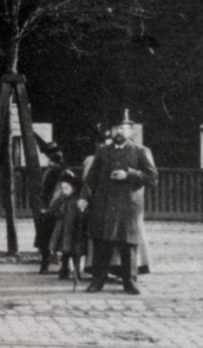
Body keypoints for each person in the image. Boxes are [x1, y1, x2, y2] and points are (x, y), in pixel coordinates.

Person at [79, 112, 158, 295]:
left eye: (123, 128)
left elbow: (153, 178)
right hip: (104, 204)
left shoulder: (140, 151)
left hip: (128, 206)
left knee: (128, 243)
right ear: (111, 131)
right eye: (116, 128)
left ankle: (129, 282)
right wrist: (84, 196)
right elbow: (91, 178)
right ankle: (97, 281)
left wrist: (129, 174)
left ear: (131, 131)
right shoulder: (103, 151)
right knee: (102, 242)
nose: (119, 131)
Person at [48, 170, 86, 284]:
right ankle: (64, 269)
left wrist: (82, 214)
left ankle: (77, 271)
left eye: (66, 188)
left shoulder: (78, 200)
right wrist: (56, 213)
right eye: (63, 188)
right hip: (63, 229)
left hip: (74, 229)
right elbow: (52, 209)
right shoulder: (62, 198)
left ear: (73, 188)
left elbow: (84, 212)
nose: (64, 191)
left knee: (76, 252)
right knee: (65, 250)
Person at [34, 143, 67, 274]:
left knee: (57, 235)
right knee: (49, 235)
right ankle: (46, 264)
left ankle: (53, 265)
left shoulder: (58, 169)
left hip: (56, 205)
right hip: (51, 205)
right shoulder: (52, 169)